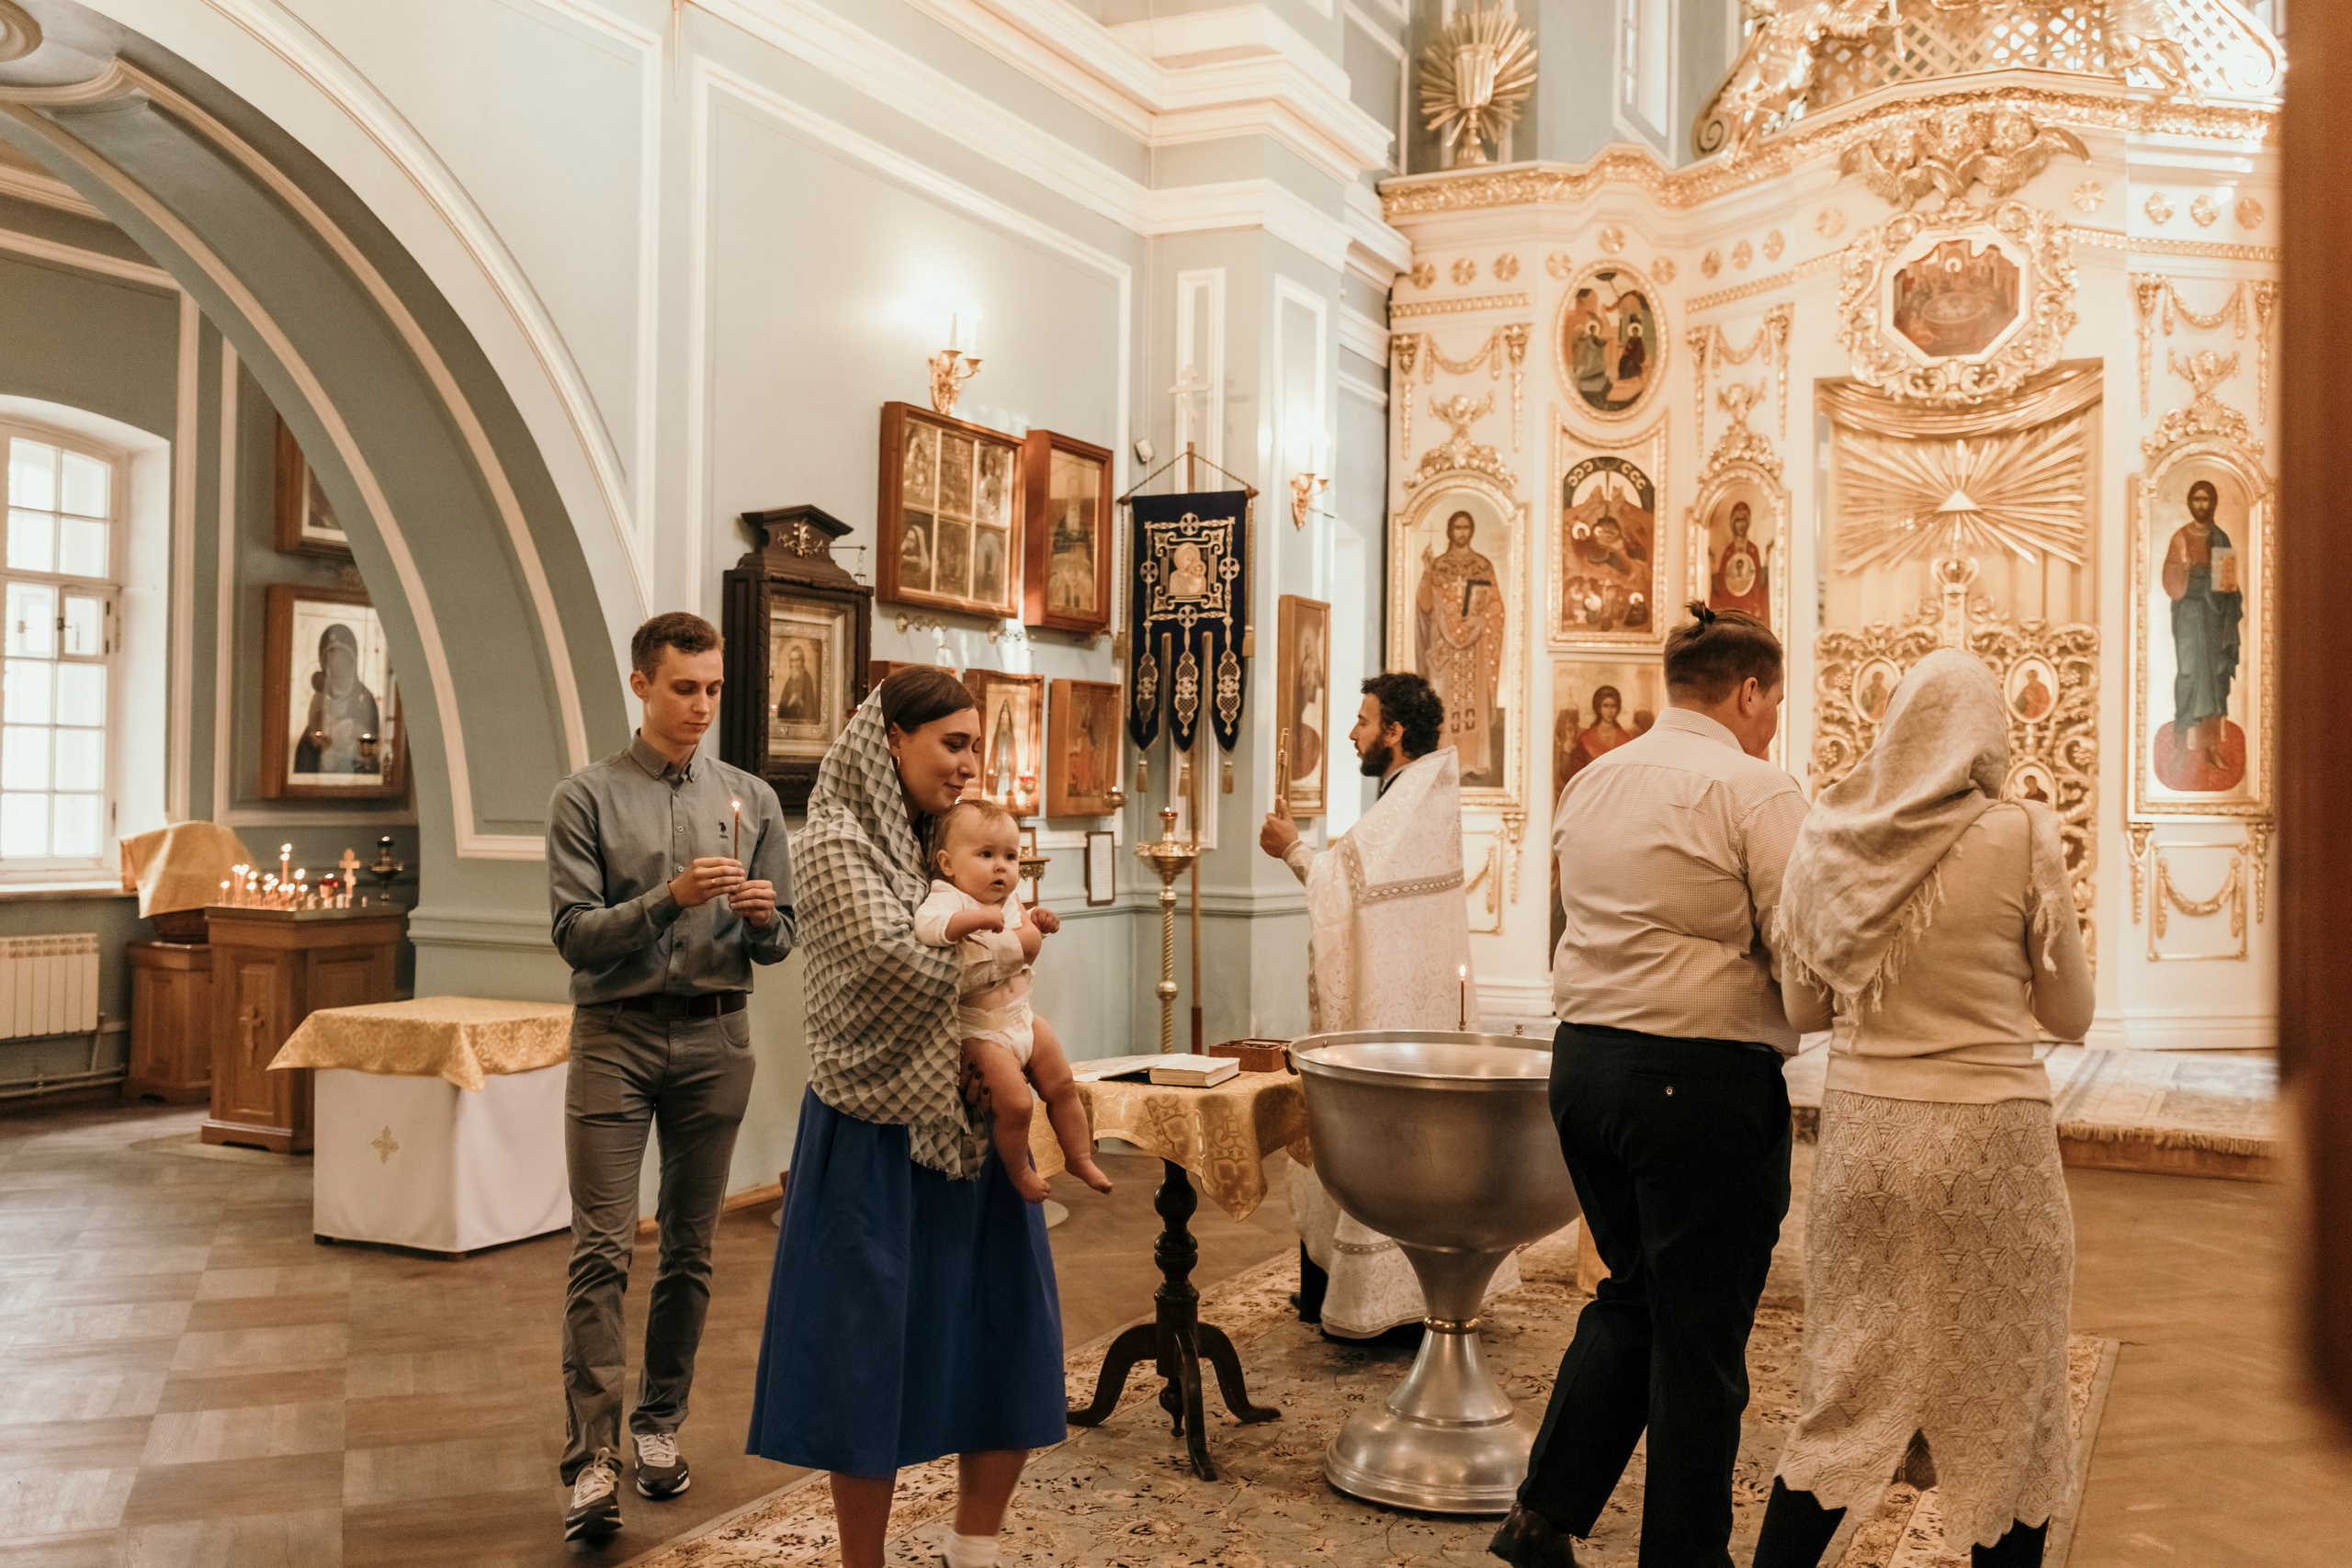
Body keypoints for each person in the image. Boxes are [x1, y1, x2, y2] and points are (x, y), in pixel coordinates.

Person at [1752, 649, 2092, 1568]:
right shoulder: (2022, 833)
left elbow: (1801, 1012)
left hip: (1868, 1144)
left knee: (1843, 1398)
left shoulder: (1833, 834)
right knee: (2009, 1409)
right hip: (1994, 1150)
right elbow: (2071, 1014)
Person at [1492, 604, 1807, 1568]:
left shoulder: (1590, 781)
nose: (1772, 723)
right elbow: (1801, 943)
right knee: (1701, 1337)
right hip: (1697, 1081)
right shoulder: (1756, 790)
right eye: (1772, 704)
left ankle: (1540, 1518)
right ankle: (1684, 1559)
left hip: (1584, 1067)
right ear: (1747, 691)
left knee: (1634, 1293)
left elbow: (1568, 918)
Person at [748, 667, 1065, 1568]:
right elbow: (892, 970)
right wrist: (992, 990)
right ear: (892, 737)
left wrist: (992, 1025)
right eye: (952, 743)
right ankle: (863, 1562)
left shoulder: (948, 838)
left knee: (1004, 1329)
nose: (970, 764)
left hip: (969, 1130)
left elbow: (990, 958)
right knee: (864, 1353)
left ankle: (976, 1548)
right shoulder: (833, 842)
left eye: (976, 745)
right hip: (872, 1133)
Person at [545, 611, 795, 1543]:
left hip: (716, 1041)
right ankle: (590, 1463)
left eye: (713, 689)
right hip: (614, 1034)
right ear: (642, 685)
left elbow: (779, 942)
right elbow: (574, 935)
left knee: (691, 1250)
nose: (700, 706)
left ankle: (658, 1428)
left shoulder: (752, 799)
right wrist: (669, 898)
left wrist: (765, 917)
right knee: (602, 1251)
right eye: (683, 687)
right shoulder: (586, 797)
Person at [1258, 673, 1516, 1342]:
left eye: (1363, 720)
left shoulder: (1410, 802)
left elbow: (1339, 885)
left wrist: (1290, 845)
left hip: (1394, 1019)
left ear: (1395, 732)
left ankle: (1388, 1304)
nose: (1352, 732)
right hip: (1414, 1008)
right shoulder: (1417, 796)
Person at [915, 795, 1112, 1203]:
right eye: (986, 854)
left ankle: (1078, 1156)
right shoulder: (948, 897)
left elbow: (1025, 930)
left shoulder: (1006, 900)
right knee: (1017, 1105)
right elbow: (928, 927)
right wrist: (975, 920)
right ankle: (1020, 1169)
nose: (1001, 866)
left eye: (1010, 855)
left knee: (1062, 1085)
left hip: (1022, 1018)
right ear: (948, 863)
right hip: (981, 1033)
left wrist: (1038, 919)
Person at [2160, 478, 2245, 786]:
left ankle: (2211, 747)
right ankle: (2183, 745)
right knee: (2188, 673)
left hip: (2213, 616)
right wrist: (2188, 572)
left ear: (2213, 503)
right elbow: (2170, 579)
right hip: (2188, 615)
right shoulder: (2180, 538)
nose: (2201, 505)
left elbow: (2227, 584)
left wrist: (2212, 577)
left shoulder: (2221, 538)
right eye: (2196, 499)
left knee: (2214, 677)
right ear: (2189, 503)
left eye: (2206, 500)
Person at [1416, 510, 1506, 777]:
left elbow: (1496, 607)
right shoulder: (1439, 566)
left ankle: (1473, 762)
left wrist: (1478, 620)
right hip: (1443, 648)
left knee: (1471, 703)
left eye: (1466, 527)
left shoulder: (1483, 566)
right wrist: (1427, 574)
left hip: (1473, 647)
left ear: (1472, 530)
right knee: (1443, 701)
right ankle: (1441, 761)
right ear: (1450, 531)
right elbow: (1425, 605)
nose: (1462, 533)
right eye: (1457, 528)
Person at [293, 622, 381, 774]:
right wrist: (316, 741)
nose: (336, 662)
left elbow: (369, 752)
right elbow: (311, 742)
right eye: (331, 656)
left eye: (341, 656)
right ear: (324, 663)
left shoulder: (365, 700)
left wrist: (351, 738)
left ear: (352, 661)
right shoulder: (319, 700)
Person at [775, 643, 820, 725]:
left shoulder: (807, 678)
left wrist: (799, 701)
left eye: (798, 660)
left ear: (802, 661)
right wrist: (791, 702)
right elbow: (780, 710)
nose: (795, 664)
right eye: (792, 660)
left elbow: (810, 710)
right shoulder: (790, 680)